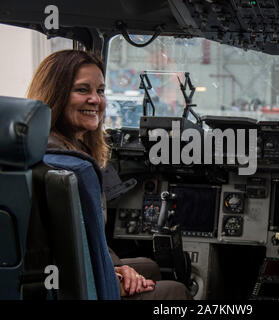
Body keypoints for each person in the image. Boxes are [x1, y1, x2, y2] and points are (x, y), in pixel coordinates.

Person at [26, 49, 191, 300]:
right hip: (67, 283)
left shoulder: (46, 147)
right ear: (55, 94)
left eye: (100, 91)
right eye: (82, 90)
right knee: (176, 292)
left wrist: (117, 270)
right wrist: (112, 280)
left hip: (60, 273)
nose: (96, 100)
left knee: (150, 267)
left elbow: (79, 240)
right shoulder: (71, 166)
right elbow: (65, 250)